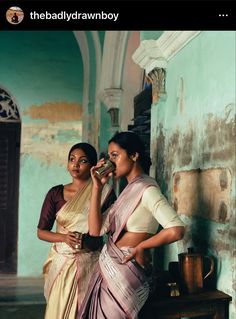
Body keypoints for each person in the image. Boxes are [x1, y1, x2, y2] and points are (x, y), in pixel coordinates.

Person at [78, 131, 185, 319]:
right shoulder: (127, 193)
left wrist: (142, 246)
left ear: (134, 155)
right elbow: (95, 230)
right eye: (109, 156)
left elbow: (176, 229)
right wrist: (97, 186)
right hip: (110, 270)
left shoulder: (147, 190)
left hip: (126, 275)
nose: (110, 162)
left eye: (115, 155)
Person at [37, 142, 116, 319]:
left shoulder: (105, 193)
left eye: (83, 161)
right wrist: (64, 238)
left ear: (92, 166)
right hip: (62, 264)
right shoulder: (56, 193)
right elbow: (41, 232)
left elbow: (109, 232)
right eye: (72, 159)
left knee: (87, 311)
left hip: (90, 263)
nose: (75, 164)